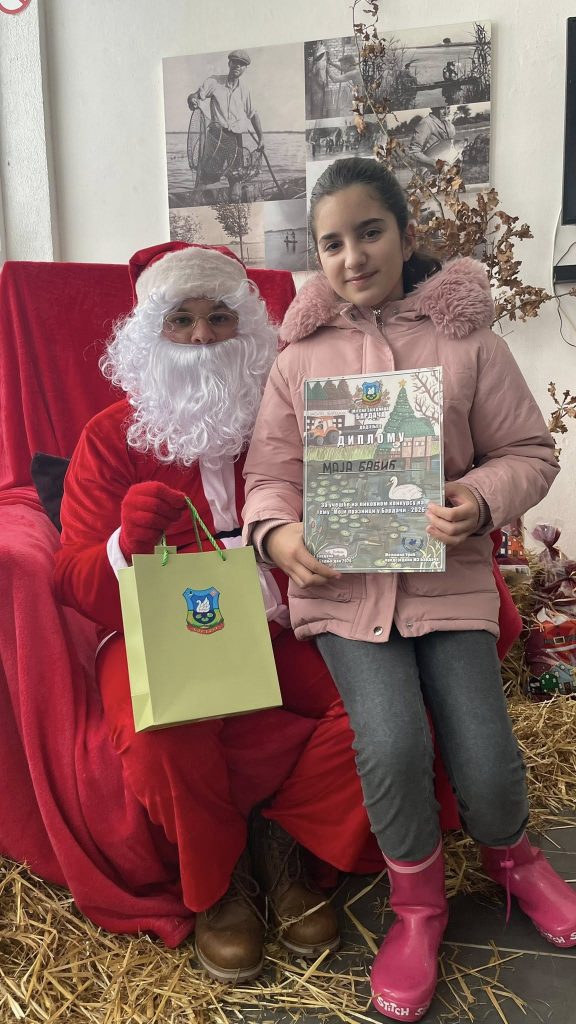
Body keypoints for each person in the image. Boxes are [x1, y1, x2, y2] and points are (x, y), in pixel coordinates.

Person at [241, 158, 576, 1021]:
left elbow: (530, 454)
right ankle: (418, 908)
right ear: (317, 257)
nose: (353, 256)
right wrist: (279, 536)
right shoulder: (297, 361)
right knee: (390, 742)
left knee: (484, 745)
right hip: (344, 593)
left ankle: (515, 861)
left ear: (406, 233)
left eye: (370, 232)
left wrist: (478, 499)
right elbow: (269, 478)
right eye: (332, 243)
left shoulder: (470, 343)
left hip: (446, 584)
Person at [53, 241, 379, 985]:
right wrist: (123, 547)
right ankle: (219, 883)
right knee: (161, 735)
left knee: (382, 707)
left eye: (220, 317)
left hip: (285, 623)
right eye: (182, 320)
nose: (202, 337)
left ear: (250, 329)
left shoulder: (290, 415)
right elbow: (71, 578)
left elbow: (355, 507)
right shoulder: (109, 438)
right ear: (151, 335)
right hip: (160, 634)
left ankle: (286, 846)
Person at [187, 50, 263, 198]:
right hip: (216, 137)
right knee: (207, 178)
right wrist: (192, 99)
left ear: (245, 68)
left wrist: (261, 138)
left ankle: (235, 203)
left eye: (241, 64)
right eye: (235, 62)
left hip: (236, 140)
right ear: (229, 63)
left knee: (236, 179)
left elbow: (253, 114)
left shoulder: (245, 89)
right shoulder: (214, 82)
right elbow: (195, 95)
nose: (237, 66)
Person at [409, 105, 456, 170]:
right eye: (442, 108)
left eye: (448, 108)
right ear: (434, 108)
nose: (446, 112)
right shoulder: (426, 123)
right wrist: (434, 162)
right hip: (429, 171)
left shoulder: (449, 125)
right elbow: (413, 152)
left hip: (446, 170)